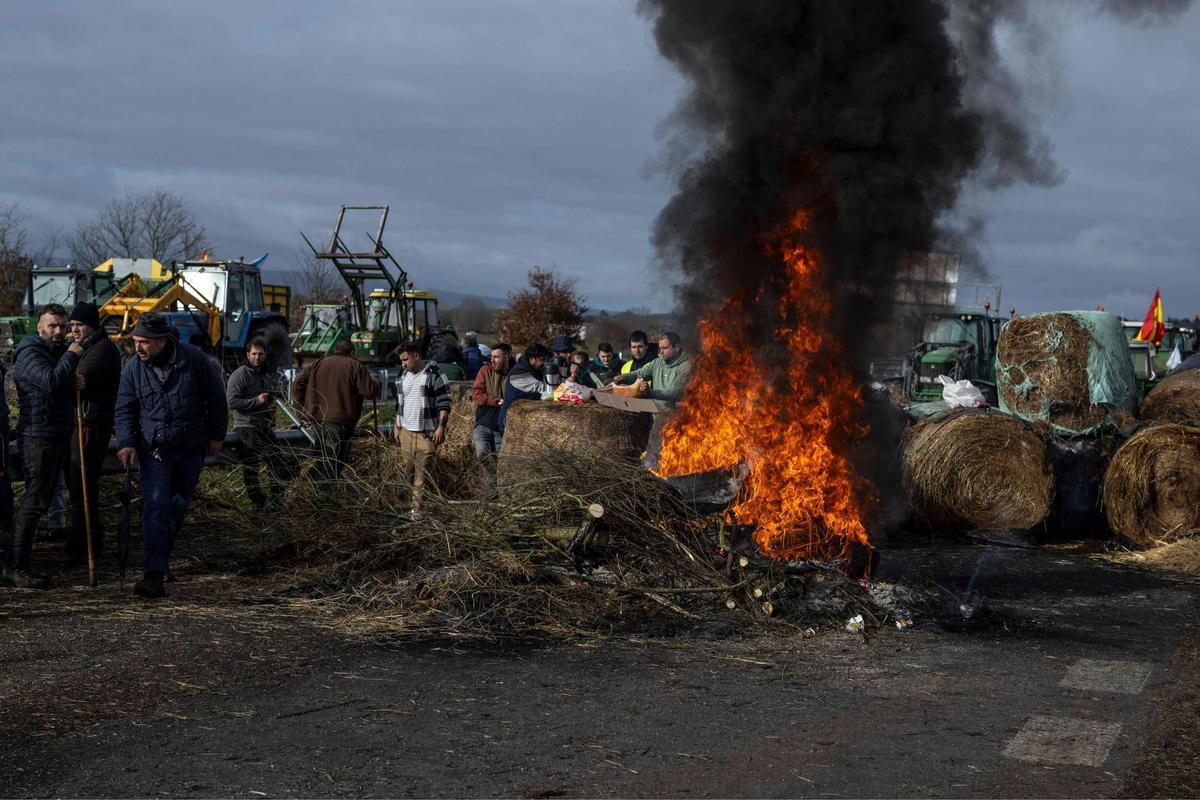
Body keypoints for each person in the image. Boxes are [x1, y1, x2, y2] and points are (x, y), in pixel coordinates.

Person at [115, 313, 227, 599]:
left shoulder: (193, 359)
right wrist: (126, 442)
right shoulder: (133, 369)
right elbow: (125, 408)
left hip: (190, 447)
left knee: (176, 505)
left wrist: (217, 435)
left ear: (162, 341)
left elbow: (216, 397)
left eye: (144, 343)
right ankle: (153, 576)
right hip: (154, 449)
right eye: (136, 342)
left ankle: (161, 557)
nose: (138, 348)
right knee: (155, 505)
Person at [2, 304, 83, 589]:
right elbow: (48, 381)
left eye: (62, 325)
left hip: (56, 433)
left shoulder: (55, 352)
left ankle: (18, 564)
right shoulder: (30, 352)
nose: (59, 331)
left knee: (41, 501)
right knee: (34, 503)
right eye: (53, 326)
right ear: (40, 327)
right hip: (38, 437)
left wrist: (74, 381)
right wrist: (71, 359)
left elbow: (58, 382)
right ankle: (15, 567)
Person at [65, 301, 122, 566]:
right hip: (83, 422)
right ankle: (83, 541)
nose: (74, 330)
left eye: (80, 325)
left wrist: (68, 359)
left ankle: (86, 545)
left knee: (83, 486)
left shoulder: (103, 350)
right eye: (73, 325)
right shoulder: (88, 347)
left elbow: (78, 378)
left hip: (90, 424)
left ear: (92, 326)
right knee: (78, 486)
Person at [292, 339, 380, 486]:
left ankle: (313, 494)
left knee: (322, 460)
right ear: (352, 352)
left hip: (316, 421)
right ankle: (322, 501)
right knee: (332, 464)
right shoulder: (355, 365)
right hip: (339, 423)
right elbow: (369, 392)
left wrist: (301, 411)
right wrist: (375, 383)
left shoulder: (318, 363)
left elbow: (297, 384)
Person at [226, 339, 289, 510]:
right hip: (247, 427)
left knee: (278, 462)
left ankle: (276, 500)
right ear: (247, 355)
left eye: (260, 354)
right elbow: (232, 402)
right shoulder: (239, 375)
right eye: (254, 353)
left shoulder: (264, 374)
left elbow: (268, 398)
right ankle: (257, 503)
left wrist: (270, 410)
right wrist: (256, 401)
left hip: (264, 427)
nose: (257, 357)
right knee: (252, 467)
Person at [392, 341, 451, 515]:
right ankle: (405, 507)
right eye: (401, 360)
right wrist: (397, 426)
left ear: (416, 356)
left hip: (427, 433)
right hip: (406, 432)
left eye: (405, 359)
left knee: (422, 476)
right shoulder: (403, 375)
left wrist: (441, 427)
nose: (403, 364)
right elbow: (399, 403)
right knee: (407, 472)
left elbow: (445, 403)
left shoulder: (434, 375)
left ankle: (416, 512)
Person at [470, 342, 511, 482]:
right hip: (483, 423)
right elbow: (476, 395)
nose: (492, 360)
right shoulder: (484, 371)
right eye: (491, 356)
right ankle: (493, 480)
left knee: (503, 461)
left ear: (506, 357)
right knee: (482, 454)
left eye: (496, 357)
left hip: (502, 427)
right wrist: (496, 400)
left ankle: (495, 495)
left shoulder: (513, 374)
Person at [612, 331, 692, 401]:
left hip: (676, 416)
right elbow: (641, 374)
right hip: (656, 414)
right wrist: (623, 377)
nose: (661, 352)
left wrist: (651, 392)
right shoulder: (657, 363)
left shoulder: (686, 367)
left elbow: (676, 393)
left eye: (664, 348)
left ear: (677, 347)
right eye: (660, 348)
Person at [500, 343, 553, 431]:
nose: (545, 363)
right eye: (542, 359)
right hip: (510, 422)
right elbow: (542, 388)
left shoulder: (535, 370)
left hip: (522, 420)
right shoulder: (518, 372)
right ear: (532, 359)